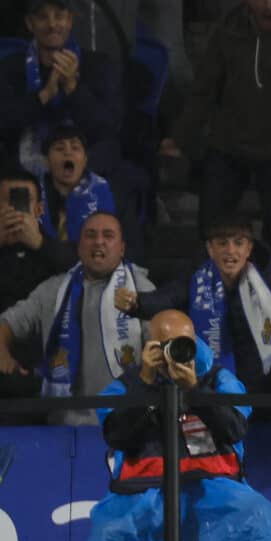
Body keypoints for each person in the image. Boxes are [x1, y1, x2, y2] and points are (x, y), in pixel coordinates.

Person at [76, 309, 271, 541]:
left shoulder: (218, 378)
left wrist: (195, 390)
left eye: (183, 342)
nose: (176, 352)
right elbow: (117, 435)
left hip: (215, 488)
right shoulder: (126, 385)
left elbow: (234, 428)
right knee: (110, 533)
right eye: (166, 345)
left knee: (250, 513)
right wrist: (145, 384)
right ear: (150, 347)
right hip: (141, 494)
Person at [160, 0, 271, 282]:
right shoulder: (226, 31)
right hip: (227, 146)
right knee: (210, 227)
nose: (268, 6)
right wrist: (179, 137)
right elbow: (203, 91)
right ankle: (206, 294)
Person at [114, 214, 271, 393]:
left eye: (238, 243)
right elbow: (167, 297)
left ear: (249, 249)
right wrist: (136, 302)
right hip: (207, 384)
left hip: (257, 386)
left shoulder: (264, 277)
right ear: (210, 248)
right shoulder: (195, 276)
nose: (230, 251)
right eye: (222, 243)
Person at [0, 212, 153, 423]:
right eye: (90, 235)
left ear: (122, 248)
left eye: (108, 235)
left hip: (124, 428)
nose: (98, 241)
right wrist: (3, 354)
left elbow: (162, 343)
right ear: (79, 246)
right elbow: (6, 323)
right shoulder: (53, 290)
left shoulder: (142, 290)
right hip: (62, 427)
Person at [0, 0, 122, 177]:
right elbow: (4, 123)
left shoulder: (98, 65)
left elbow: (107, 128)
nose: (51, 25)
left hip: (86, 167)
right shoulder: (11, 67)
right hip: (24, 169)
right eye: (42, 17)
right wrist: (44, 95)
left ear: (70, 21)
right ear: (29, 23)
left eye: (59, 16)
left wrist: (73, 87)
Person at [0, 165, 76, 313]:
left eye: (23, 201)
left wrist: (40, 244)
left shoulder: (59, 251)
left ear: (39, 210)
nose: (15, 210)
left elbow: (88, 272)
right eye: (9, 201)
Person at [37, 124, 115, 243]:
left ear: (85, 160)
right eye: (59, 148)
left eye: (75, 147)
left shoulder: (111, 194)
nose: (68, 153)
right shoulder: (32, 193)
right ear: (46, 161)